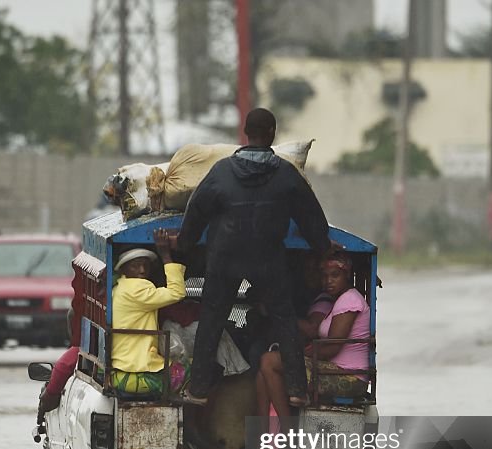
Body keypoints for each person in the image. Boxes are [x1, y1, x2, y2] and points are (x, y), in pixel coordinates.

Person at [176, 107, 331, 407]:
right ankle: (297, 390)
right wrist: (323, 246)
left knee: (212, 317)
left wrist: (183, 244)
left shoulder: (221, 172)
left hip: (224, 259)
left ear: (245, 134)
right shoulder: (286, 174)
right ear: (272, 133)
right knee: (284, 318)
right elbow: (311, 216)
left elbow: (195, 212)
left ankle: (199, 389)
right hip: (268, 260)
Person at [256, 251, 370, 428]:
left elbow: (332, 348)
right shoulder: (339, 300)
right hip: (332, 369)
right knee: (263, 372)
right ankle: (262, 435)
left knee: (269, 360)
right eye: (324, 276)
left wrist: (304, 353)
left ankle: (288, 430)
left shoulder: (350, 300)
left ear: (347, 275)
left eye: (335, 275)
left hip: (347, 375)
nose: (328, 281)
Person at [110, 229, 186, 397]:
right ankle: (191, 419)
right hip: (138, 369)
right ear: (124, 269)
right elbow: (177, 293)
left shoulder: (119, 288)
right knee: (193, 369)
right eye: (135, 265)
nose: (142, 270)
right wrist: (165, 255)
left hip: (120, 366)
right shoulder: (137, 287)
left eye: (146, 265)